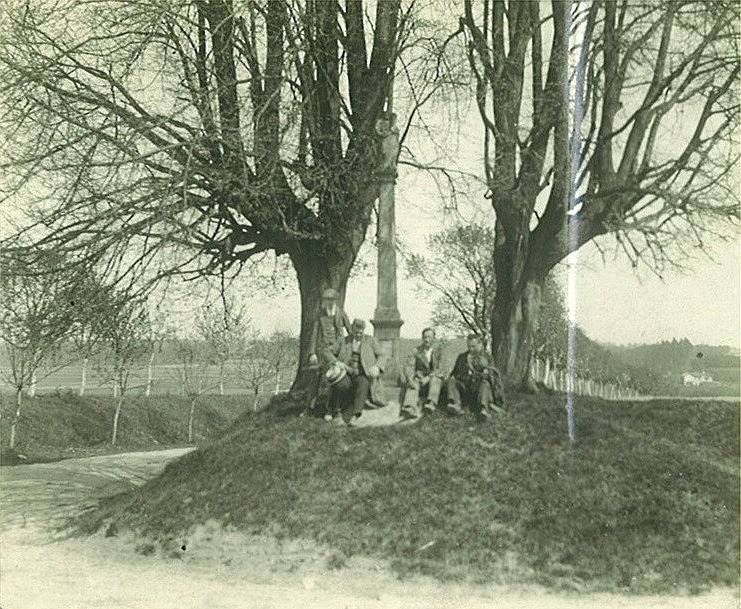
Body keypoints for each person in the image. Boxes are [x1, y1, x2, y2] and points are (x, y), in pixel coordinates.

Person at [306, 288, 352, 418]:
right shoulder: (320, 315)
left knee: (335, 377)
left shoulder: (341, 314)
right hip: (324, 351)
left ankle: (330, 409)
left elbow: (350, 332)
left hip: (338, 351)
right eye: (327, 299)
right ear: (324, 301)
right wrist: (312, 353)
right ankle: (311, 407)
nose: (329, 302)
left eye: (331, 300)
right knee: (323, 376)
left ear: (335, 300)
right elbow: (314, 334)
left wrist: (349, 348)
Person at [333, 319, 385, 425]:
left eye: (361, 331)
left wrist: (377, 367)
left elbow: (382, 355)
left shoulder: (371, 340)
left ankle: (355, 415)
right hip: (346, 373)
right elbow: (329, 352)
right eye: (356, 331)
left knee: (363, 384)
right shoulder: (343, 341)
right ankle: (337, 412)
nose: (359, 334)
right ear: (352, 329)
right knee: (341, 385)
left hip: (362, 374)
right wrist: (336, 363)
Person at [446, 334, 505, 419]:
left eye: (473, 346)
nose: (470, 349)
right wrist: (461, 375)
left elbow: (491, 377)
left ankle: (483, 409)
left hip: (479, 389)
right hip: (465, 388)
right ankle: (455, 405)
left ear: (480, 344)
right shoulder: (462, 357)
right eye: (469, 346)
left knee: (485, 383)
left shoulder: (487, 357)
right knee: (452, 381)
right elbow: (454, 373)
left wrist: (479, 374)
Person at [400, 327, 443, 419]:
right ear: (422, 338)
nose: (427, 340)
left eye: (429, 337)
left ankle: (431, 404)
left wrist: (429, 377)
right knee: (413, 382)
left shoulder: (439, 351)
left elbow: (441, 368)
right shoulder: (416, 351)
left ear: (434, 338)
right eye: (425, 337)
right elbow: (409, 366)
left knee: (436, 380)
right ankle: (409, 407)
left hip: (434, 380)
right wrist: (410, 378)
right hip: (420, 379)